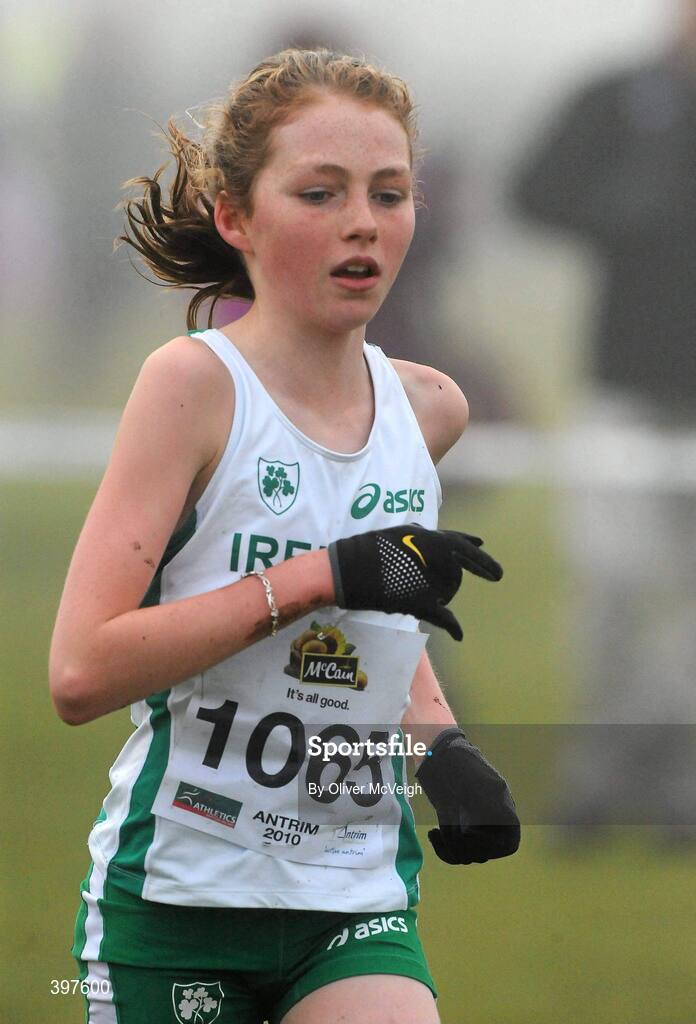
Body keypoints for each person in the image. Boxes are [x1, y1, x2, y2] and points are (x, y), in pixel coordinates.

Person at [50, 49, 519, 1024]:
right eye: (321, 192)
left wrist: (441, 749)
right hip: (177, 904)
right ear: (236, 216)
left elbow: (384, 625)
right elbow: (82, 672)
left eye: (389, 194)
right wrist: (318, 576)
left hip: (349, 900)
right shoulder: (191, 389)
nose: (363, 222)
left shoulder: (429, 409)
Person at [512, 3, 696, 841]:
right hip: (623, 384)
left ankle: (680, 789)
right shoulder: (619, 99)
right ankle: (601, 778)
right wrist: (622, 211)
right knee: (615, 590)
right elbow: (534, 188)